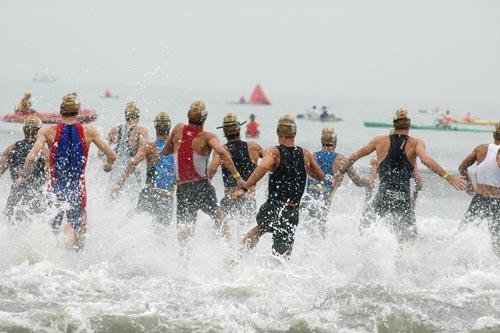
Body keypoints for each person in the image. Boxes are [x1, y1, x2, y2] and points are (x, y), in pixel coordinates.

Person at [333, 108, 467, 242]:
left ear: (394, 123)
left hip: (383, 196)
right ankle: (402, 261)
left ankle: (364, 256)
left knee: (365, 226)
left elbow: (354, 156)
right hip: (403, 199)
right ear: (409, 123)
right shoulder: (415, 143)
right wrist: (448, 177)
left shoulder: (380, 141)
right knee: (410, 238)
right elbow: (425, 160)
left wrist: (341, 172)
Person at [16, 92, 117, 250]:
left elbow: (31, 157)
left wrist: (23, 176)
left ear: (60, 111)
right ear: (77, 112)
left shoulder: (47, 131)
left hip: (55, 188)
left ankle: (51, 260)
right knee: (77, 229)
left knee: (52, 229)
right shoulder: (89, 131)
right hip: (78, 189)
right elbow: (112, 155)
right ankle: (72, 262)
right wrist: (108, 166)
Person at [161, 100, 245, 249]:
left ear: (188, 115)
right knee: (219, 217)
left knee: (185, 227)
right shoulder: (208, 137)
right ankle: (229, 250)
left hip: (183, 189)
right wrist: (238, 178)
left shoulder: (177, 129)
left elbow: (166, 151)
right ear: (204, 118)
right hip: (201, 186)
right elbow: (223, 153)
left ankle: (184, 260)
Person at [239, 115, 324, 257]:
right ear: (294, 133)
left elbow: (263, 167)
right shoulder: (305, 153)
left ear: (278, 132)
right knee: (283, 255)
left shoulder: (274, 152)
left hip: (274, 206)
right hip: (292, 211)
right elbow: (320, 175)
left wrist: (245, 186)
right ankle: (279, 276)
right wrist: (308, 169)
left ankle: (237, 257)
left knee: (259, 230)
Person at [302, 127, 375, 237]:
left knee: (306, 233)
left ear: (322, 142)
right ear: (335, 143)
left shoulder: (312, 157)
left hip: (307, 204)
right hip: (323, 205)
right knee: (320, 234)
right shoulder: (341, 160)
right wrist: (370, 181)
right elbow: (358, 181)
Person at [113, 112, 176, 226]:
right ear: (169, 127)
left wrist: (119, 184)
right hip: (166, 197)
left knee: (137, 224)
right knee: (161, 234)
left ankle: (119, 227)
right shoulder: (176, 148)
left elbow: (133, 163)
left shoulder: (149, 147)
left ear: (155, 127)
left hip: (149, 193)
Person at [208, 113, 263, 224]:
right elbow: (270, 162)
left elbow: (212, 169)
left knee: (222, 233)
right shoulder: (254, 147)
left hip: (230, 199)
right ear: (239, 129)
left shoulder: (221, 151)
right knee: (246, 234)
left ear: (224, 132)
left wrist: (205, 184)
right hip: (249, 199)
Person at [458, 122, 500, 254]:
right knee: (496, 241)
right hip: (497, 201)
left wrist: (470, 186)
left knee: (464, 232)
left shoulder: (481, 149)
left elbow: (462, 167)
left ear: (493, 135)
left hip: (479, 198)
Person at [0, 116, 48, 222]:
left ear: (23, 130)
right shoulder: (43, 151)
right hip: (35, 196)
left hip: (16, 194)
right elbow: (49, 177)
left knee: (11, 227)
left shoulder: (11, 149)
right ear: (39, 131)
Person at [105, 102, 148, 189]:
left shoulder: (114, 131)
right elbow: (143, 152)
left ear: (126, 116)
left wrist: (108, 163)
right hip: (132, 175)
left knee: (112, 198)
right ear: (138, 117)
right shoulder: (141, 131)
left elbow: (101, 152)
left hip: (115, 172)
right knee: (133, 200)